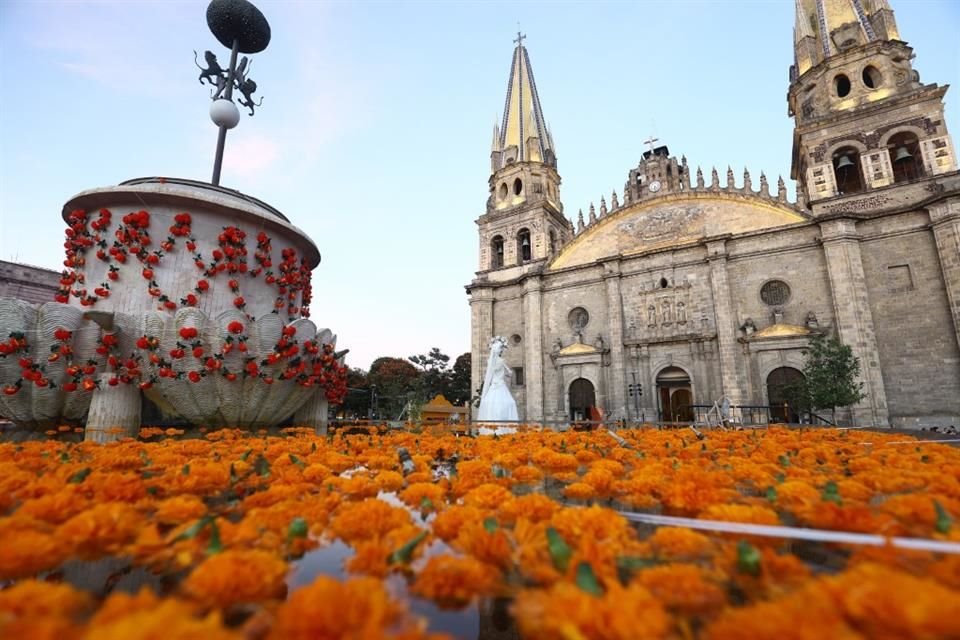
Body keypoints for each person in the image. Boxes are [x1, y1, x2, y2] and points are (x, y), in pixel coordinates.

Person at [477, 336, 519, 423]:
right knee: (508, 404)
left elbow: (492, 373)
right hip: (500, 386)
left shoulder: (490, 361)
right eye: (501, 349)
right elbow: (509, 373)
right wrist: (508, 373)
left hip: (493, 387)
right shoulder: (501, 361)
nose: (502, 350)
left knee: (492, 406)